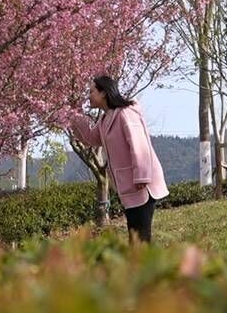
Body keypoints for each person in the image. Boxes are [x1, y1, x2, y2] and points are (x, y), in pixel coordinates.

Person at [69, 75, 168, 243]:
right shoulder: (105, 119)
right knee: (135, 238)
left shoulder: (126, 113)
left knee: (140, 239)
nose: (88, 96)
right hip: (128, 187)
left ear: (103, 93)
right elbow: (89, 139)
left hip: (142, 185)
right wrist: (75, 113)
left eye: (91, 91)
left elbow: (139, 144)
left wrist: (142, 176)